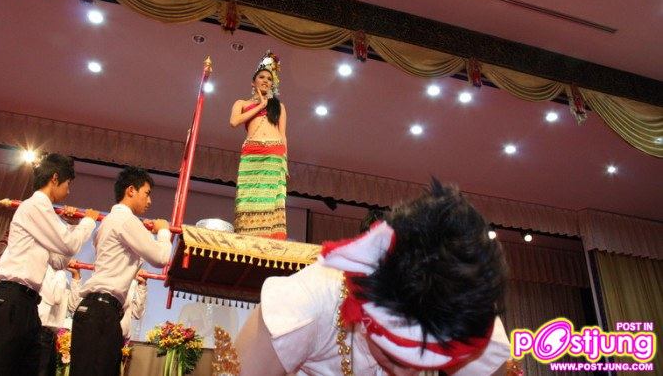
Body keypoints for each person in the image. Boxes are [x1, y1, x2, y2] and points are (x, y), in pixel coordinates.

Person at [235, 179, 510, 376]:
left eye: (423, 364)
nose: (406, 374)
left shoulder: (465, 317)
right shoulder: (306, 304)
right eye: (393, 358)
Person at [0, 153, 98, 376]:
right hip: (11, 298)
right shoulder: (36, 205)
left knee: (29, 368)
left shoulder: (44, 212)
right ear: (55, 178)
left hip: (26, 303)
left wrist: (71, 225)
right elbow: (69, 245)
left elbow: (58, 261)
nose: (68, 191)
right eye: (68, 184)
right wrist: (88, 221)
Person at [69, 167, 171, 376]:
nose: (149, 201)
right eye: (147, 193)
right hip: (102, 313)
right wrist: (163, 231)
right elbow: (161, 257)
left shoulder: (110, 220)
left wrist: (146, 232)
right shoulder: (126, 220)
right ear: (131, 190)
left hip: (96, 311)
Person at [229, 50, 288, 240]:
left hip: (274, 152)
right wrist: (260, 106)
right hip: (252, 151)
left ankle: (269, 239)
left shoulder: (278, 106)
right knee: (248, 195)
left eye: (269, 79)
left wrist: (285, 162)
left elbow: (283, 135)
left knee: (270, 197)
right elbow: (234, 122)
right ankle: (247, 236)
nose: (265, 81)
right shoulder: (241, 103)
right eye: (261, 77)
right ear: (253, 82)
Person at [67, 263, 147, 340]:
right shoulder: (98, 276)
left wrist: (142, 285)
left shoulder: (132, 284)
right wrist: (75, 276)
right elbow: (74, 306)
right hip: (88, 335)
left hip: (116, 339)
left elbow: (137, 313)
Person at [37, 265, 71, 376]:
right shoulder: (47, 271)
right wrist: (61, 271)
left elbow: (73, 305)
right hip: (40, 330)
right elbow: (56, 298)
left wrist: (76, 277)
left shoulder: (64, 279)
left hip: (52, 334)